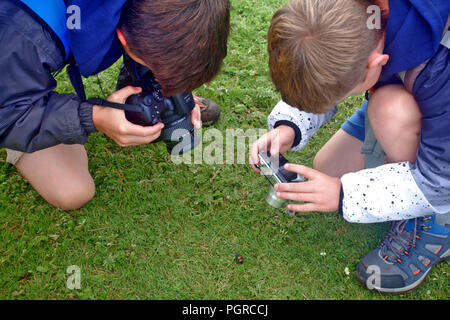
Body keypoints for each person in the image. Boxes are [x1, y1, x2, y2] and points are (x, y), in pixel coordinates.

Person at [250, 0, 449, 294]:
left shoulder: (438, 72)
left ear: (377, 63)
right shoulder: (345, 17)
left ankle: (438, 225)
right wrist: (288, 126)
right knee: (330, 168)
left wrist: (345, 195)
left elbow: (440, 180)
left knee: (389, 112)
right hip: (406, 90)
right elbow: (325, 66)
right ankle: (396, 124)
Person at [0, 0, 230, 210]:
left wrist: (178, 83)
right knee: (73, 190)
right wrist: (92, 117)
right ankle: (26, 91)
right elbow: (7, 118)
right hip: (10, 78)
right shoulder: (21, 36)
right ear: (121, 38)